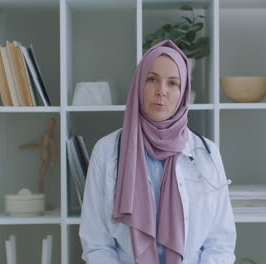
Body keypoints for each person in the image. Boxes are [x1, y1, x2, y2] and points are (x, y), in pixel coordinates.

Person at [79, 39, 236, 264]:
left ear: (183, 93)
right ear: (138, 84)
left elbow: (220, 242)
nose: (161, 91)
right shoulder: (106, 150)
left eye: (173, 83)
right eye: (152, 79)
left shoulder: (207, 152)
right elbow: (96, 243)